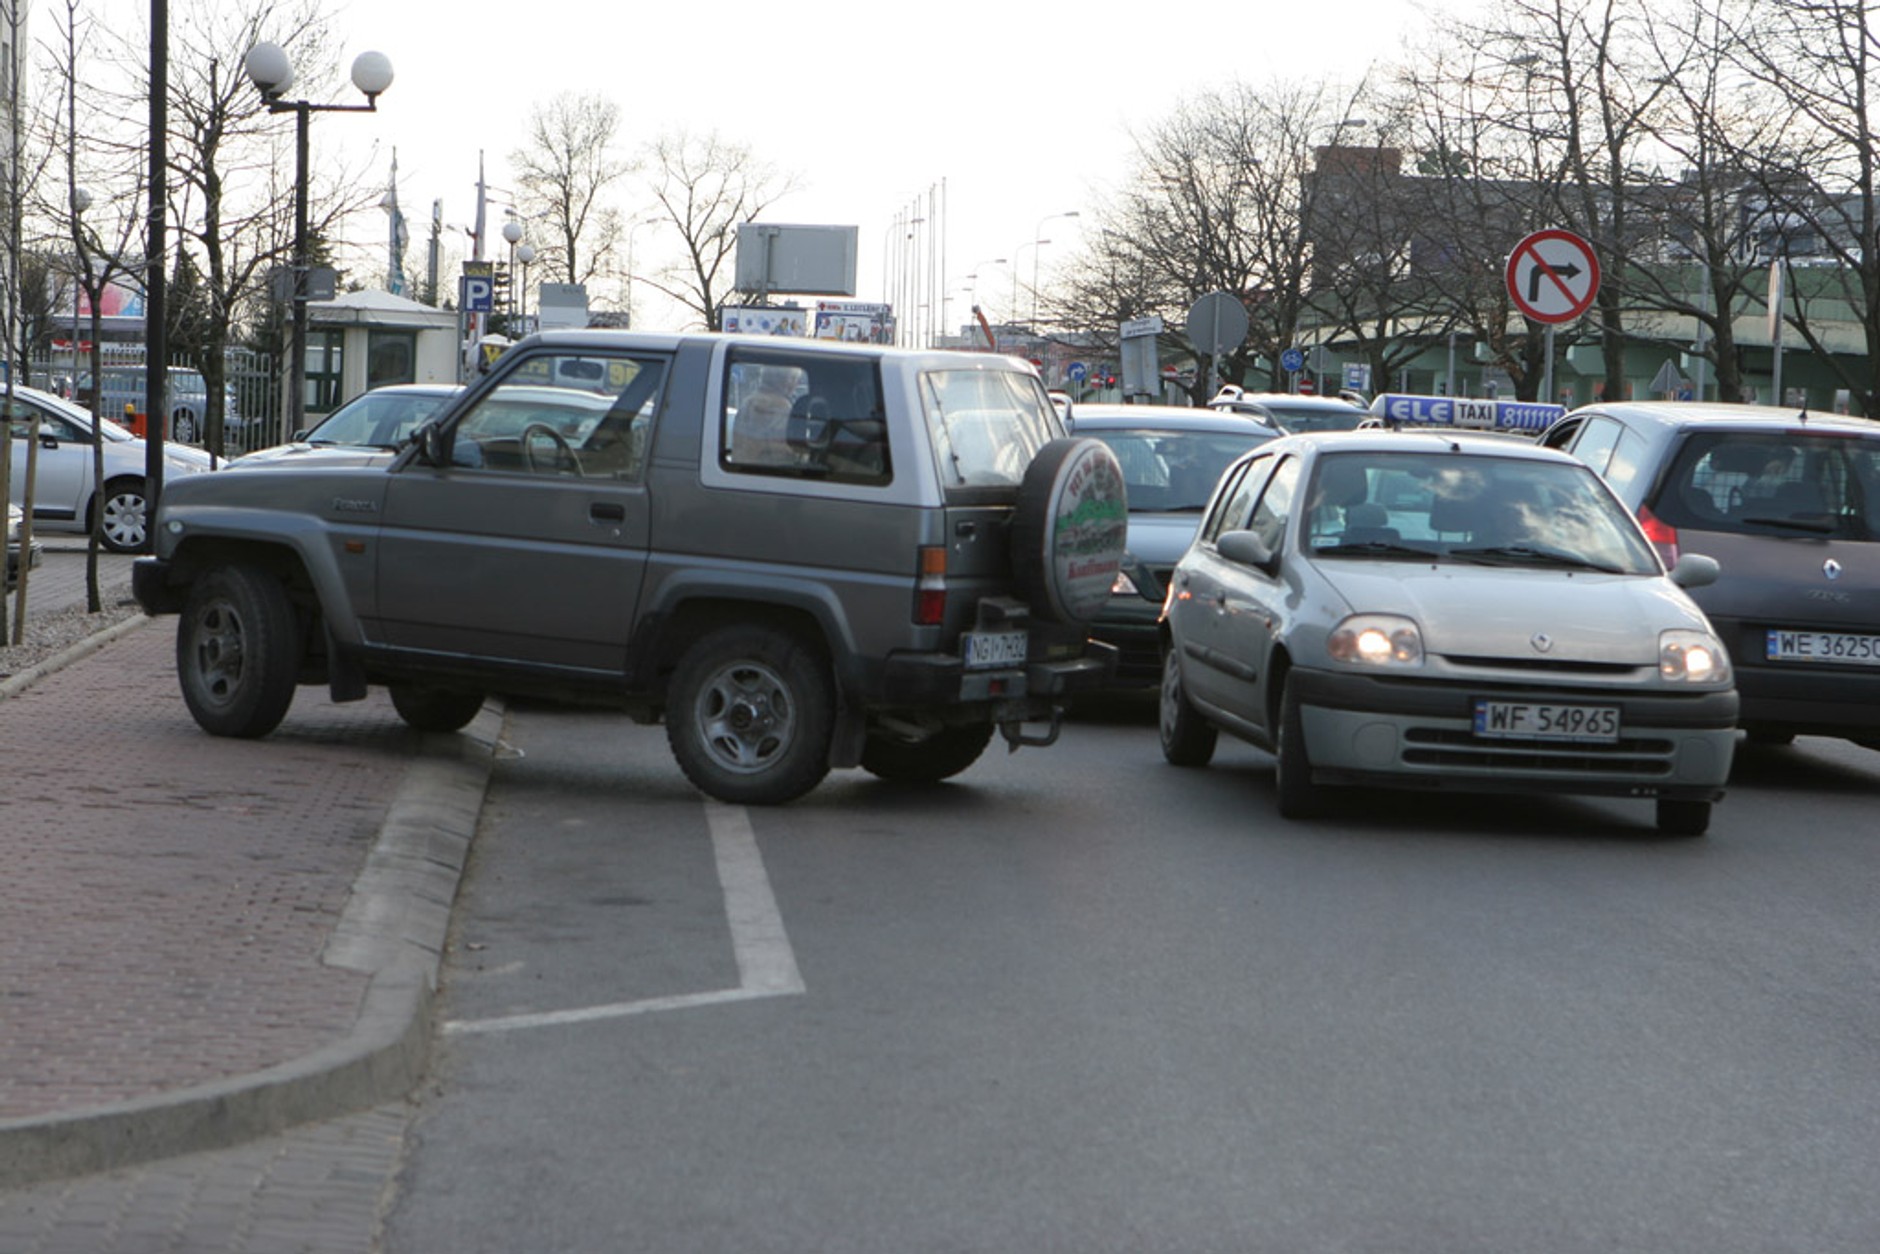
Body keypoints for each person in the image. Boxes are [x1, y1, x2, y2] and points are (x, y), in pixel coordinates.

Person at [731, 365, 799, 467]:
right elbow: (782, 448)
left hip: (741, 468)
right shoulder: (782, 406)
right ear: (783, 380)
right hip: (769, 472)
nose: (796, 385)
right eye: (793, 379)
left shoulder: (747, 402)